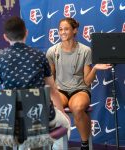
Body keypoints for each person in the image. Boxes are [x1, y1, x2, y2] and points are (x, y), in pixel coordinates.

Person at [0, 16, 70, 149]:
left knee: (22, 126)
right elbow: (52, 90)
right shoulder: (39, 55)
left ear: (5, 37)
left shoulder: (0, 59)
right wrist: (62, 112)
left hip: (11, 120)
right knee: (65, 122)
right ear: (26, 33)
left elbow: (4, 87)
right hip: (39, 117)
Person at [46, 17, 112, 150]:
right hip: (60, 90)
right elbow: (50, 79)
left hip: (80, 90)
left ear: (74, 30)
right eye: (60, 29)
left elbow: (87, 81)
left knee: (76, 107)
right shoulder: (52, 51)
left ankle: (84, 144)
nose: (63, 32)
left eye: (66, 29)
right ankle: (58, 144)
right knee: (52, 107)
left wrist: (94, 69)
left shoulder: (85, 50)